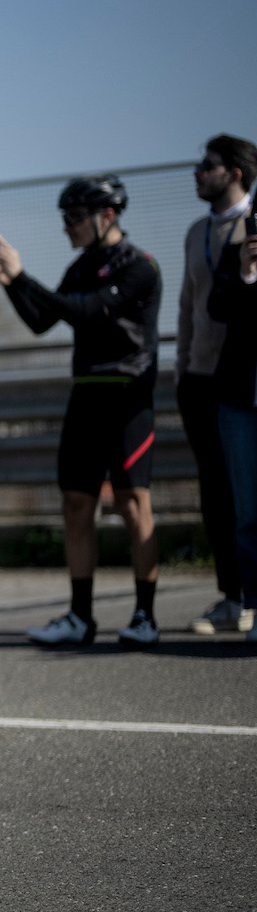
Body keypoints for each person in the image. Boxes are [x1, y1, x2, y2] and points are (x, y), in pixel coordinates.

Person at [0, 177, 163, 647]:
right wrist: (9, 283)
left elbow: (84, 312)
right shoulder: (82, 266)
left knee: (132, 503)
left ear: (108, 215)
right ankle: (80, 617)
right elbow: (43, 320)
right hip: (86, 395)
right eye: (63, 218)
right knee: (75, 505)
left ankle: (145, 615)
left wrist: (23, 276)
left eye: (75, 218)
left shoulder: (141, 267)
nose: (66, 227)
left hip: (128, 398)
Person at [177, 136, 255, 634]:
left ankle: (250, 597)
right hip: (202, 380)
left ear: (235, 173)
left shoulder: (252, 226)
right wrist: (184, 367)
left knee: (247, 495)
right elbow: (188, 306)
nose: (197, 173)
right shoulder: (195, 232)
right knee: (217, 495)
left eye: (207, 166)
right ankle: (231, 596)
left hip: (243, 376)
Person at [206, 213, 257, 643]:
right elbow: (216, 308)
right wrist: (247, 272)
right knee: (248, 516)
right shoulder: (237, 252)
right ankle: (254, 608)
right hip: (240, 398)